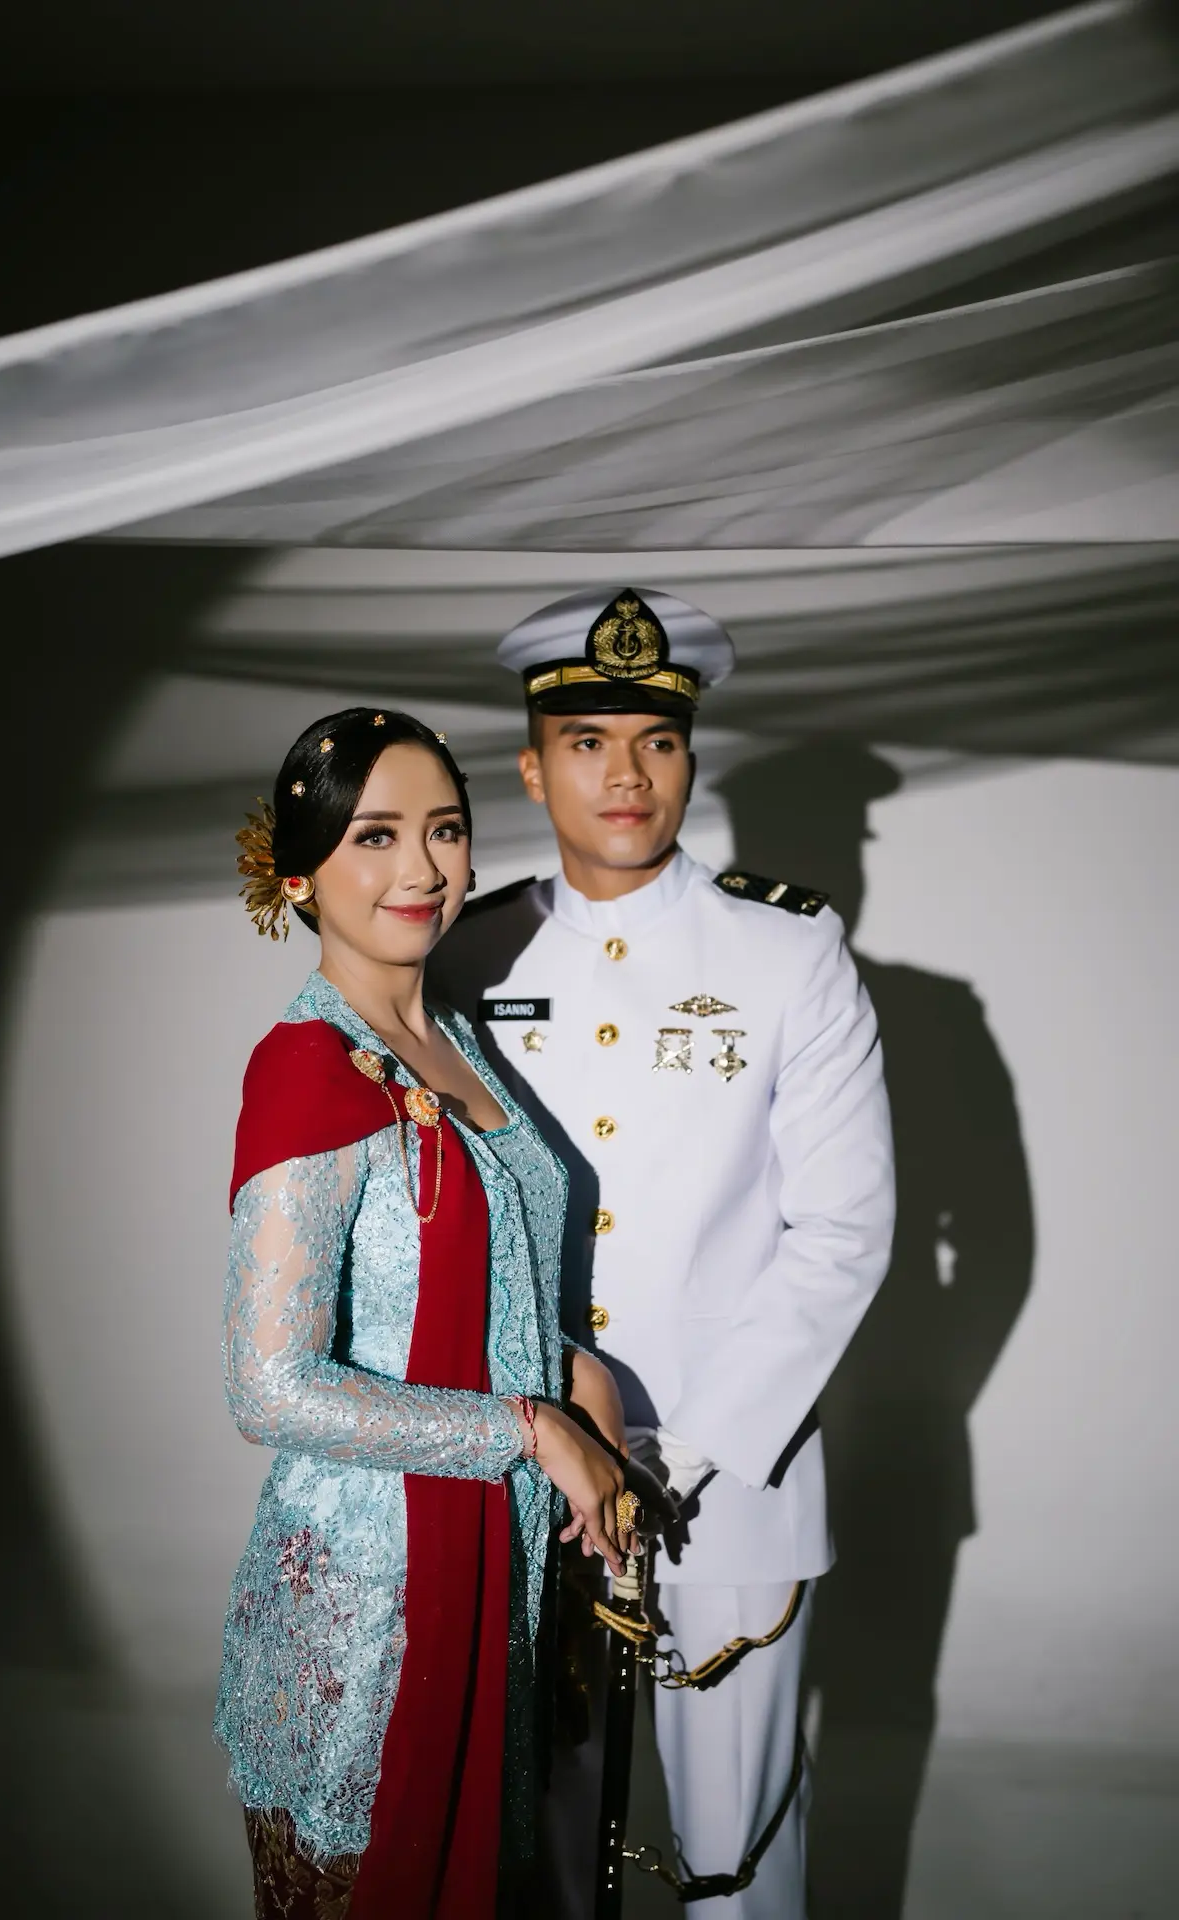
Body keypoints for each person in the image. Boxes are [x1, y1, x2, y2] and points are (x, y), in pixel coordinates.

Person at [429, 591, 897, 1918]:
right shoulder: (466, 953)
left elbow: (844, 1229)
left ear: (691, 760)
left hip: (729, 1479)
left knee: (735, 1864)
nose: (625, 774)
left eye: (656, 741)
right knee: (526, 1852)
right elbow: (442, 1215)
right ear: (533, 769)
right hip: (522, 1463)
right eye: (586, 743)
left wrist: (676, 1454)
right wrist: (548, 1424)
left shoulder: (787, 951)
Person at [215, 706, 637, 1920]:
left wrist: (572, 1372)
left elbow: (478, 1280)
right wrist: (528, 1429)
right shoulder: (307, 1066)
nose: (421, 869)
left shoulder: (444, 1032)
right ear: (298, 873)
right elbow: (267, 1388)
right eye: (374, 836)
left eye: (443, 831)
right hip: (367, 1622)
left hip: (490, 1573)